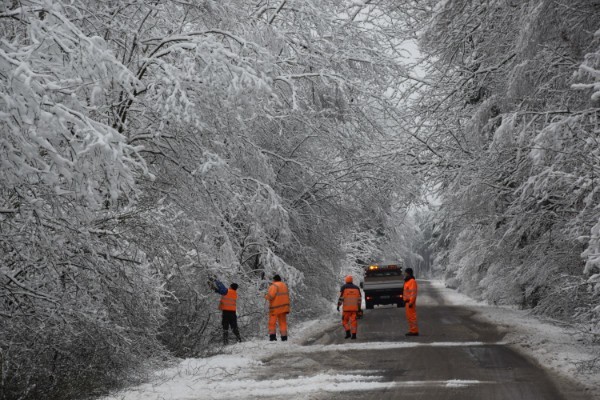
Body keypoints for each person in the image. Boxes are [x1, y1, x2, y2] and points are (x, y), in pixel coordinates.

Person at [210, 278, 242, 345]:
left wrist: (216, 280)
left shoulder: (228, 291)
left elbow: (222, 287)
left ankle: (225, 342)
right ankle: (239, 340)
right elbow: (222, 291)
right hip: (233, 313)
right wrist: (215, 289)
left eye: (230, 286)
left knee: (225, 328)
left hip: (226, 313)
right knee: (234, 327)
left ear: (231, 287)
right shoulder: (234, 293)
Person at [265, 274, 290, 341]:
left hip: (275, 308)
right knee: (283, 323)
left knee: (272, 323)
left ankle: (272, 337)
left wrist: (265, 296)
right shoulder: (284, 286)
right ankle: (284, 337)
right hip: (284, 308)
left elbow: (270, 297)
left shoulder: (274, 286)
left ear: (274, 279)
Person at [337, 275, 362, 339]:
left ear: (346, 280)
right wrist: (359, 308)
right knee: (354, 322)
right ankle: (354, 335)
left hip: (346, 309)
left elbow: (341, 298)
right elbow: (359, 299)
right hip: (354, 309)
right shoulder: (357, 288)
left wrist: (338, 305)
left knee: (344, 321)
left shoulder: (343, 288)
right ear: (352, 280)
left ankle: (348, 333)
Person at [403, 267, 419, 336]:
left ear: (408, 273)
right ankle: (412, 330)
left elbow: (413, 293)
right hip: (407, 302)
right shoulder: (407, 281)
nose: (404, 274)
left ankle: (414, 331)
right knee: (409, 317)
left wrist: (411, 302)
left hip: (410, 302)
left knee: (412, 317)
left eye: (406, 273)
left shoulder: (412, 281)